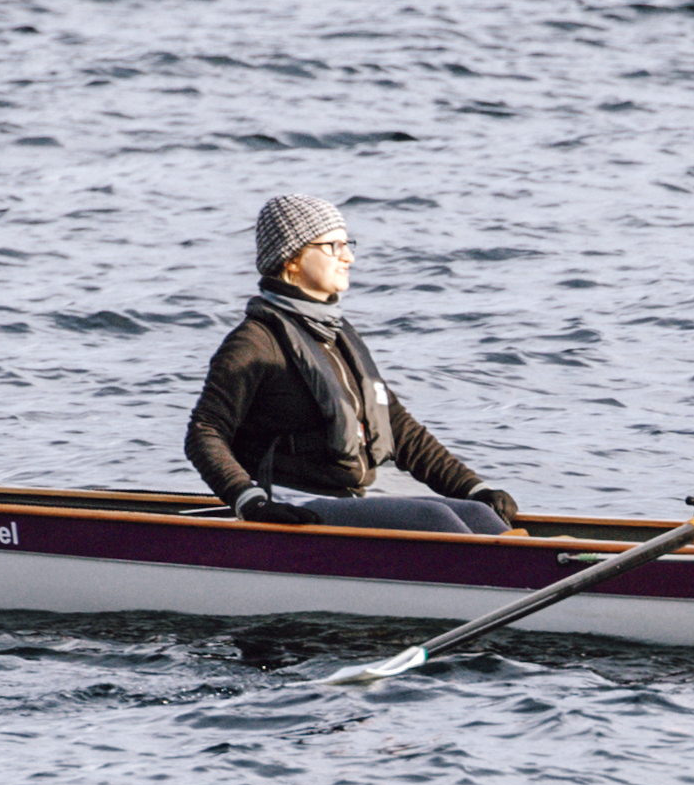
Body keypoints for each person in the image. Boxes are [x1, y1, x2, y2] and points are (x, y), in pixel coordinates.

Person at [185, 193, 520, 533]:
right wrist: (250, 502)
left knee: (478, 515)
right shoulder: (254, 342)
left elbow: (399, 429)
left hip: (352, 497)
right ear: (292, 259)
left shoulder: (338, 335)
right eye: (333, 246)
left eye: (348, 244)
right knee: (435, 521)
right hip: (294, 508)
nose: (349, 257)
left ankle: (529, 573)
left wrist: (474, 489)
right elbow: (204, 432)